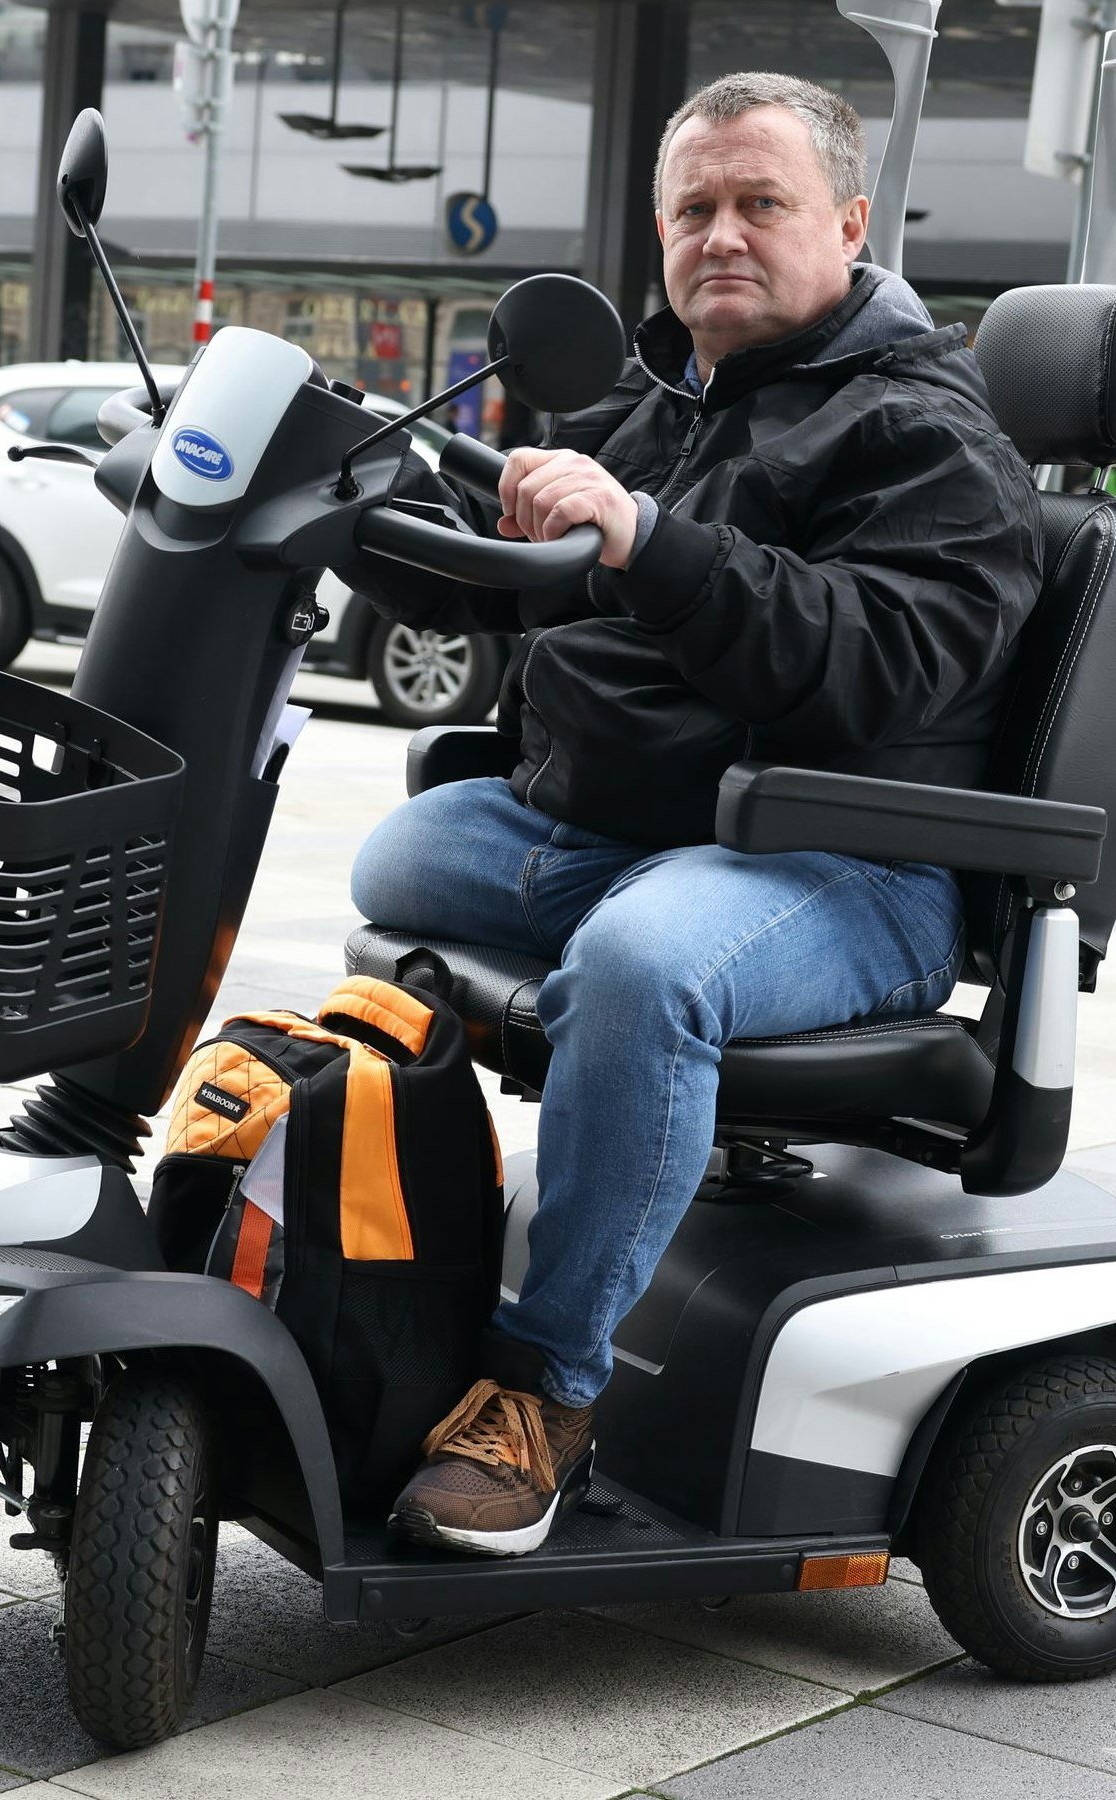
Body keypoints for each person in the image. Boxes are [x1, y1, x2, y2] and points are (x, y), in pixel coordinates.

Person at [335, 72, 1044, 1556]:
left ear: (849, 224)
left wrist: (653, 541)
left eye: (760, 204)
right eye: (694, 209)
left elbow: (874, 663)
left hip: (851, 859)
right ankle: (410, 1272)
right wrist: (348, 510)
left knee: (648, 967)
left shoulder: (928, 431)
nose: (721, 235)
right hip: (641, 838)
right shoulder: (667, 402)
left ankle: (543, 1395)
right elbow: (528, 582)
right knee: (396, 859)